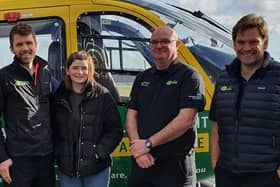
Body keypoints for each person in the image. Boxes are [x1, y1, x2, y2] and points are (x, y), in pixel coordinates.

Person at [126, 26, 205, 187]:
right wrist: (138, 149)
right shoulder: (142, 78)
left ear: (177, 45)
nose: (159, 46)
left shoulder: (190, 76)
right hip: (143, 162)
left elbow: (185, 121)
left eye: (165, 41)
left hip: (174, 166)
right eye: (154, 42)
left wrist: (148, 144)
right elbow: (131, 116)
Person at [210, 13, 280, 187]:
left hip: (267, 176)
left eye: (253, 42)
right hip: (227, 175)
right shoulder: (224, 78)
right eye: (241, 42)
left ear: (265, 43)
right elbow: (217, 124)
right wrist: (215, 164)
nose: (246, 47)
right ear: (234, 44)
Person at [52, 50, 123, 187]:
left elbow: (115, 131)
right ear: (67, 70)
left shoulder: (103, 95)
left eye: (84, 68)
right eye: (75, 68)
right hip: (68, 170)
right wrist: (59, 153)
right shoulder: (58, 97)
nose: (80, 72)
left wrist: (98, 153)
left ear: (90, 70)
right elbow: (53, 129)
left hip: (96, 168)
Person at [0, 23, 55, 187]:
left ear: (36, 45)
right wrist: (2, 158)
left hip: (46, 157)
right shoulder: (4, 77)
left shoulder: (46, 74)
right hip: (18, 160)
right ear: (12, 49)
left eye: (29, 43)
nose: (25, 48)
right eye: (19, 44)